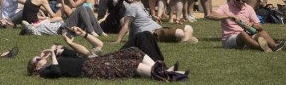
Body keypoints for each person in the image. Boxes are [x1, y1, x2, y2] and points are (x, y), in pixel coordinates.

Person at [27, 32, 187, 80]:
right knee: (130, 64)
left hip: (94, 60)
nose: (41, 58)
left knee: (134, 52)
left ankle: (165, 71)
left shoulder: (58, 59)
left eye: (39, 57)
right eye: (38, 59)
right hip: (90, 67)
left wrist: (61, 47)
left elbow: (84, 53)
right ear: (36, 68)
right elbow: (56, 72)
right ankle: (167, 75)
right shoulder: (44, 71)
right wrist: (53, 57)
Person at [208, 0, 286, 52]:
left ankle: (276, 47)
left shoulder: (248, 8)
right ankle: (262, 48)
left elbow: (259, 26)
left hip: (247, 34)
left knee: (262, 33)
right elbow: (211, 16)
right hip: (229, 39)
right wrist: (230, 16)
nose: (241, 1)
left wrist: (251, 24)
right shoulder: (225, 7)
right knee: (243, 34)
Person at [115, 0, 197, 44]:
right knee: (180, 33)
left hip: (159, 29)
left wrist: (153, 18)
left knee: (189, 27)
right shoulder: (132, 7)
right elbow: (126, 25)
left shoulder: (140, 5)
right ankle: (186, 39)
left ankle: (185, 40)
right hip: (152, 34)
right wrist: (118, 41)